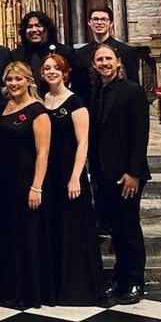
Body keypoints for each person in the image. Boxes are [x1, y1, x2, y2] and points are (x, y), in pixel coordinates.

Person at [41, 53, 106, 305]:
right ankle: (54, 285)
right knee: (53, 228)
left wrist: (76, 177)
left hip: (69, 173)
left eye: (57, 68)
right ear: (41, 74)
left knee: (71, 230)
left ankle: (75, 287)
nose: (52, 72)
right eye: (47, 68)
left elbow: (83, 143)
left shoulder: (76, 102)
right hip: (48, 173)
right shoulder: (41, 100)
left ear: (65, 73)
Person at [89, 42, 151, 305]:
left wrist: (133, 173)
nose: (104, 63)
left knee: (129, 230)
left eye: (108, 58)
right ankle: (120, 279)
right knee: (115, 229)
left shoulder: (132, 91)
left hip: (126, 173)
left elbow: (140, 135)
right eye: (99, 59)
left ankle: (136, 281)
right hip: (104, 173)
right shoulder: (96, 92)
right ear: (94, 64)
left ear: (118, 61)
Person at [0, 60, 54, 308]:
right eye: (9, 79)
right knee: (9, 233)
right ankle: (11, 288)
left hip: (27, 179)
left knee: (27, 234)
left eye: (18, 79)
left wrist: (36, 187)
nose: (13, 83)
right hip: (5, 178)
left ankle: (29, 292)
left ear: (29, 81)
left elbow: (43, 152)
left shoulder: (38, 111)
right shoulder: (5, 107)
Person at [12, 11, 86, 99]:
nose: (34, 30)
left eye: (39, 26)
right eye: (29, 27)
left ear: (47, 29)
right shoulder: (16, 55)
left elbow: (80, 82)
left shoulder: (64, 52)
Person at [75, 5, 140, 86]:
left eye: (103, 19)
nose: (99, 22)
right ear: (89, 22)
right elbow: (78, 85)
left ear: (111, 23)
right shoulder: (81, 53)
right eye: (95, 19)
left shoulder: (126, 51)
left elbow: (134, 84)